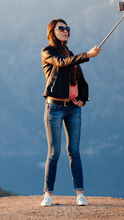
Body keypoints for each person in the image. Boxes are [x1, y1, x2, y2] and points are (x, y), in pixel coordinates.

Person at [40, 19, 101, 207]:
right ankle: (48, 195)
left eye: (67, 28)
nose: (65, 31)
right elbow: (63, 63)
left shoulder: (70, 53)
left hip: (73, 108)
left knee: (74, 151)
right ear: (52, 32)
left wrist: (83, 98)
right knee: (54, 152)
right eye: (61, 28)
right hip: (55, 108)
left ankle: (80, 195)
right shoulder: (48, 52)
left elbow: (80, 77)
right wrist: (87, 55)